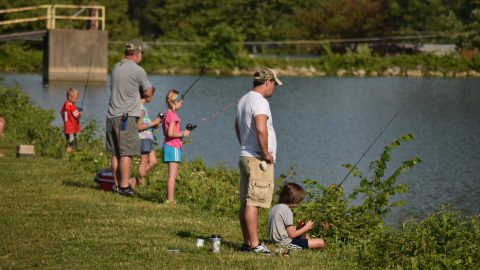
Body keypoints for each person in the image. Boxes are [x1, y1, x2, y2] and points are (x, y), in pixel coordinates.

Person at [235, 67, 282, 254]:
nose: (274, 89)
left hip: (246, 155)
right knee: (254, 202)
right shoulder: (260, 102)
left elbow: (237, 126)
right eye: (274, 85)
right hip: (257, 159)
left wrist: (245, 145)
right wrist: (265, 153)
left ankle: (248, 242)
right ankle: (254, 245)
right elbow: (261, 128)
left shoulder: (244, 99)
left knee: (246, 202)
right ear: (268, 82)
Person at [106, 39, 152, 196]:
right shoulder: (138, 69)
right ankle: (125, 187)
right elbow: (148, 92)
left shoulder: (115, 67)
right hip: (125, 118)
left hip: (111, 115)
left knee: (115, 153)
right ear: (137, 54)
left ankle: (117, 185)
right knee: (127, 152)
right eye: (141, 54)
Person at [268, 182, 326, 251]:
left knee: (306, 236)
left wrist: (298, 227)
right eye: (300, 200)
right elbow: (291, 235)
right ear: (294, 199)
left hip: (275, 240)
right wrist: (306, 227)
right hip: (285, 243)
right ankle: (305, 248)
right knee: (321, 242)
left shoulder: (275, 207)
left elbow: (282, 228)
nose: (300, 202)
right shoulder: (287, 211)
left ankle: (308, 249)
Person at [161, 89, 191, 204]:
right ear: (174, 103)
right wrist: (183, 133)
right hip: (173, 147)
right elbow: (170, 134)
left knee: (174, 173)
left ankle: (169, 197)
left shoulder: (168, 114)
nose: (181, 104)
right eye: (180, 102)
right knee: (172, 175)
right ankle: (170, 200)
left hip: (169, 146)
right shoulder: (172, 116)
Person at [136, 87, 162, 187]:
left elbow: (145, 125)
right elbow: (138, 127)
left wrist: (155, 124)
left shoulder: (142, 107)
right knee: (143, 163)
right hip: (143, 139)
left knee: (153, 161)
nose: (153, 97)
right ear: (148, 95)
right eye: (152, 95)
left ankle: (135, 179)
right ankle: (140, 185)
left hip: (147, 138)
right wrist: (153, 123)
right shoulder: (141, 109)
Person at [60, 87, 82, 152]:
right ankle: (68, 154)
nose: (76, 100)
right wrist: (80, 113)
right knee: (71, 142)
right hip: (71, 128)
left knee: (68, 140)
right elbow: (77, 115)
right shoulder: (71, 106)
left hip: (67, 127)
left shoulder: (65, 105)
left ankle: (69, 154)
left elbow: (61, 112)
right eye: (75, 98)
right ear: (70, 97)